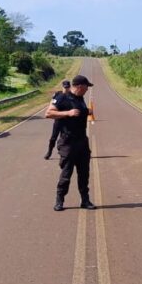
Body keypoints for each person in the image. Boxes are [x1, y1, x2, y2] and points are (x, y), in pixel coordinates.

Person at [45, 74, 95, 211]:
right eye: (86, 87)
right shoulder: (62, 97)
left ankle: (85, 200)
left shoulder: (81, 98)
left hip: (82, 142)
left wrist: (87, 111)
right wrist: (68, 113)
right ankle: (59, 201)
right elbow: (48, 113)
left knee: (84, 174)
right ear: (79, 86)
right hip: (68, 142)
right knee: (66, 174)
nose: (87, 89)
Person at [44, 79, 71, 159]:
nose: (66, 89)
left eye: (67, 87)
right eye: (65, 87)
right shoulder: (57, 94)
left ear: (70, 87)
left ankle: (66, 152)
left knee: (66, 137)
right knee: (53, 137)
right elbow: (52, 103)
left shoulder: (71, 95)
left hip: (67, 120)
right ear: (62, 87)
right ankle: (49, 151)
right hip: (58, 119)